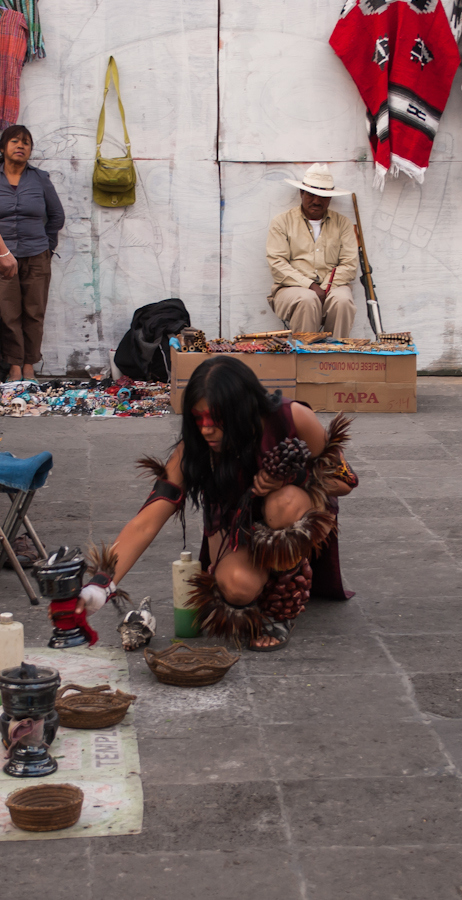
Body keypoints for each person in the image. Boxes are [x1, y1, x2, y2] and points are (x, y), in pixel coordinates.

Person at [78, 356, 359, 651]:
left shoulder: (291, 417)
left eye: (216, 418)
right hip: (235, 524)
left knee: (283, 505)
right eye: (198, 419)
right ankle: (255, 581)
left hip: (292, 514)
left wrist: (289, 478)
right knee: (238, 587)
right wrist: (100, 585)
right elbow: (146, 522)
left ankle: (281, 605)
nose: (205, 430)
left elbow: (346, 482)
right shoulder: (194, 449)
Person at [0, 125, 65, 382]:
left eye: (26, 142)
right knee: (8, 313)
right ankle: (14, 365)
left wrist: (47, 247)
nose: (21, 146)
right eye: (15, 141)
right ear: (3, 147)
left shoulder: (39, 178)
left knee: (34, 312)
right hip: (3, 258)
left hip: (37, 255)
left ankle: (29, 364)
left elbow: (56, 216)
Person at [266, 163, 358, 339]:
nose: (316, 201)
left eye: (323, 196)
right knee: (307, 300)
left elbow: (349, 264)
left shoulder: (343, 224)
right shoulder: (282, 222)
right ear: (301, 193)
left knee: (343, 301)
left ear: (330, 198)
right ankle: (304, 360)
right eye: (311, 195)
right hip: (292, 288)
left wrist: (324, 288)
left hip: (333, 286)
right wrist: (311, 286)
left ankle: (335, 357)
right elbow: (277, 265)